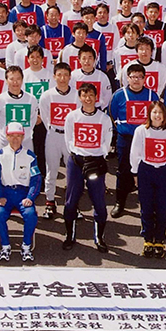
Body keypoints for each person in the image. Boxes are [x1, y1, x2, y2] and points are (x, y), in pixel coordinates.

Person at [62, 83, 113, 252]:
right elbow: (69, 139)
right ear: (80, 97)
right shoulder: (72, 116)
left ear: (96, 97)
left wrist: (98, 157)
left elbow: (107, 141)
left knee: (98, 202)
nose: (88, 98)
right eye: (84, 95)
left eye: (91, 95)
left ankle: (99, 237)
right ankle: (70, 235)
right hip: (76, 162)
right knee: (70, 202)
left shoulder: (104, 119)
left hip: (96, 162)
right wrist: (78, 156)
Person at [131, 101, 166, 259]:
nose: (157, 116)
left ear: (165, 115)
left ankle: (159, 239)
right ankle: (147, 239)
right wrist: (135, 173)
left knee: (162, 207)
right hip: (146, 170)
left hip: (164, 171)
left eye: (160, 113)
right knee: (146, 207)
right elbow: (135, 152)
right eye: (154, 112)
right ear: (149, 114)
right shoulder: (141, 131)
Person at [109, 64, 159, 218]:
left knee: (147, 171)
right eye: (133, 77)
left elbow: (158, 116)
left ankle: (149, 206)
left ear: (145, 79)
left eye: (139, 77)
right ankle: (120, 203)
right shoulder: (119, 95)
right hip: (126, 139)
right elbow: (112, 113)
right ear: (127, 78)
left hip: (147, 139)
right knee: (123, 171)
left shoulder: (152, 96)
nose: (136, 80)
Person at [0, 122, 41, 262]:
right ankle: (5, 246)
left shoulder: (30, 156)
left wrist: (30, 197)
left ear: (23, 137)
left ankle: (26, 247)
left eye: (18, 136)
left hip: (23, 193)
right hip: (5, 193)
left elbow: (36, 179)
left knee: (30, 215)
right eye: (12, 135)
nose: (15, 139)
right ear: (6, 136)